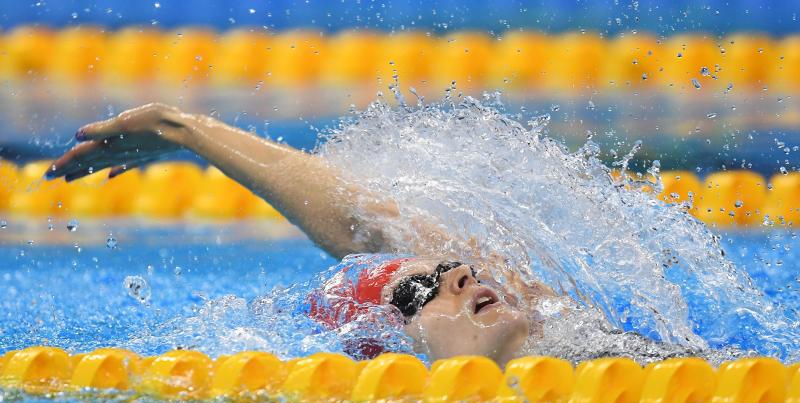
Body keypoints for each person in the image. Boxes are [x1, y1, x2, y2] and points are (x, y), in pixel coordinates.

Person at [45, 103, 558, 366]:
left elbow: (366, 228)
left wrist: (184, 129)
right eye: (420, 290)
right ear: (389, 348)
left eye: (450, 271)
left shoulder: (582, 341)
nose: (466, 272)